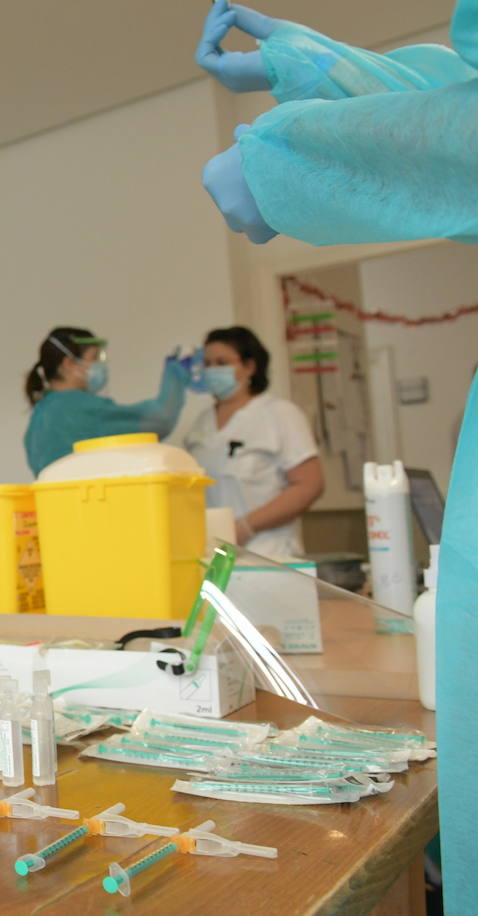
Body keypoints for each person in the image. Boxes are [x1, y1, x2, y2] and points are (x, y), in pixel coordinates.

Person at [195, 3, 478, 906]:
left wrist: (294, 156)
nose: (210, 372)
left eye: (220, 361)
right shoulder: (204, 418)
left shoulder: (276, 409)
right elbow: (460, 97)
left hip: (278, 571)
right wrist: (315, 65)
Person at [183, 326, 323, 556]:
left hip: (270, 552)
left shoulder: (279, 414)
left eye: (222, 362)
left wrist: (246, 527)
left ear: (249, 367)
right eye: (207, 364)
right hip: (215, 554)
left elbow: (310, 485)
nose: (212, 371)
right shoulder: (201, 424)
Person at [24, 327, 192, 476]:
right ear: (69, 363)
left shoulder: (42, 411)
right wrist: (175, 374)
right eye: (94, 358)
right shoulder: (79, 407)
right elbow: (160, 420)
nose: (100, 365)